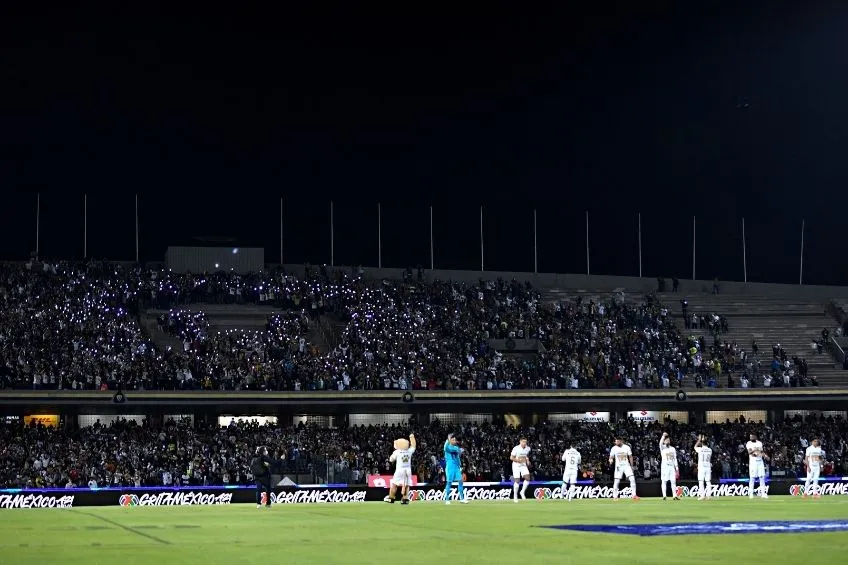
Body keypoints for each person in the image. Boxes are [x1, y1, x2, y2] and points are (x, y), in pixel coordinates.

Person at [385, 433, 417, 505]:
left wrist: (391, 458)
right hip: (408, 470)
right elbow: (414, 446)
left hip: (399, 470)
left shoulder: (397, 452)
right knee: (406, 485)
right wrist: (412, 437)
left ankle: (391, 498)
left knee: (394, 484)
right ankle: (405, 499)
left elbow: (391, 459)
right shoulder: (409, 451)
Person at [443, 434, 467, 505]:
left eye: (454, 440)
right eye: (452, 440)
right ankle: (447, 499)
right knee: (449, 482)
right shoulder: (447, 447)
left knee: (460, 481)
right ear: (450, 440)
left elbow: (459, 454)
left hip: (456, 467)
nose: (454, 441)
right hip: (450, 467)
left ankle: (462, 499)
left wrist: (460, 465)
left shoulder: (456, 447)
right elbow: (445, 448)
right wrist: (447, 440)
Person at [745, 433, 769, 499]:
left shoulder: (759, 443)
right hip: (753, 462)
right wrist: (755, 450)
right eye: (750, 436)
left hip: (760, 461)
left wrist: (766, 456)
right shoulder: (749, 443)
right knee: (752, 478)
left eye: (752, 436)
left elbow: (761, 452)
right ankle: (751, 494)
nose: (751, 438)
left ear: (755, 436)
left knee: (762, 477)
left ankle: (763, 494)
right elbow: (749, 452)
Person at [659, 432, 680, 501]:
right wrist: (663, 436)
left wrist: (676, 468)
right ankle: (664, 496)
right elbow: (660, 443)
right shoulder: (662, 448)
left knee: (673, 481)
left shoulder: (673, 449)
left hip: (671, 467)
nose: (668, 441)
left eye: (669, 440)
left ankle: (674, 495)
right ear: (664, 441)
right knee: (664, 481)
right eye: (666, 440)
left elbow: (675, 459)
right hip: (665, 466)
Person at [510, 437, 532, 502]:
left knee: (528, 478)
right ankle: (515, 496)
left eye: (525, 442)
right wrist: (517, 460)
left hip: (523, 465)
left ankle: (522, 492)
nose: (524, 443)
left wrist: (527, 460)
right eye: (523, 442)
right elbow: (511, 457)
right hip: (516, 465)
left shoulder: (528, 448)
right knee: (517, 480)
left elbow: (525, 455)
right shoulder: (516, 448)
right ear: (520, 442)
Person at [694, 435, 713, 500]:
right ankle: (709, 495)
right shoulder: (710, 450)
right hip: (708, 467)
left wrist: (699, 440)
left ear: (702, 443)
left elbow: (695, 447)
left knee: (701, 481)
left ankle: (702, 495)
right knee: (708, 482)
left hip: (702, 467)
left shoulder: (700, 449)